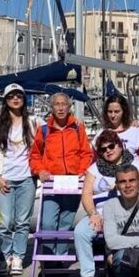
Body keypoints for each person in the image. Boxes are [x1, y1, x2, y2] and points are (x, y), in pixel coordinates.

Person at [73, 130, 139, 277]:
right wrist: (93, 213)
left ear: (119, 145)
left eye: (111, 146)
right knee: (81, 231)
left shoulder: (134, 164)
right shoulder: (95, 168)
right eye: (103, 149)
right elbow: (86, 194)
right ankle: (88, 276)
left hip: (125, 213)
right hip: (100, 213)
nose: (108, 151)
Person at [28, 92, 93, 258]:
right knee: (48, 222)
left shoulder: (77, 128)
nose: (61, 108)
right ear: (51, 107)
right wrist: (40, 170)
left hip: (73, 182)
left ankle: (61, 255)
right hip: (52, 183)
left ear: (69, 107)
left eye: (64, 104)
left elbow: (86, 153)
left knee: (66, 222)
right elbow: (35, 155)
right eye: (57, 104)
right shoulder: (44, 130)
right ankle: (49, 255)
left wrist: (82, 171)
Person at [0, 83, 43, 276]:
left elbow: (51, 132)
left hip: (27, 178)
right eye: (11, 96)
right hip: (5, 178)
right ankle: (5, 256)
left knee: (22, 222)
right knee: (5, 222)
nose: (15, 99)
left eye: (19, 95)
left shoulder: (34, 121)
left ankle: (18, 255)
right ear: (6, 100)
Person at [96, 94, 139, 167]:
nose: (113, 115)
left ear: (124, 112)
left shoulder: (135, 133)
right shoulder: (101, 134)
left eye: (116, 111)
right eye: (110, 112)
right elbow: (95, 160)